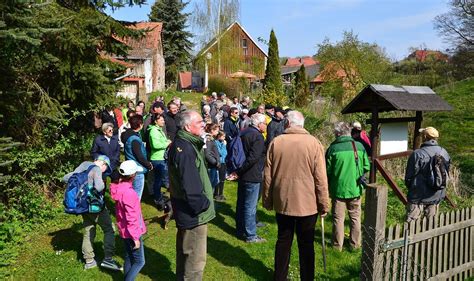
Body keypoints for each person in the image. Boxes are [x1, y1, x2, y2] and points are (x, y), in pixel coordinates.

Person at [263, 111, 330, 281]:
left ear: (287, 123)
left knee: (283, 241)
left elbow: (267, 176)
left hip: (283, 201)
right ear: (302, 124)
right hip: (307, 204)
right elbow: (321, 178)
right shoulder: (314, 143)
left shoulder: (276, 142)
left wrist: (267, 200)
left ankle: (280, 277)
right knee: (306, 244)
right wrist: (324, 204)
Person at [168, 110, 216, 281]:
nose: (204, 124)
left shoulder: (184, 144)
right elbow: (190, 184)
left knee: (185, 253)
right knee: (195, 262)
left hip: (185, 210)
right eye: (200, 122)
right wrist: (202, 205)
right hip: (193, 214)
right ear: (188, 127)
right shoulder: (185, 148)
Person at [62, 155, 121, 271]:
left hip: (82, 206)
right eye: (106, 169)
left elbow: (65, 178)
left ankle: (89, 261)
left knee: (89, 230)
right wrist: (94, 184)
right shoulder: (97, 169)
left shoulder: (84, 164)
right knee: (109, 229)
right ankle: (108, 259)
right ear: (103, 164)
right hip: (94, 206)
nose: (105, 172)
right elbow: (99, 187)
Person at [326, 122, 370, 251]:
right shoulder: (359, 146)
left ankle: (337, 246)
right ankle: (355, 244)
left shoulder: (332, 148)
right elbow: (367, 166)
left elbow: (327, 170)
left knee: (338, 218)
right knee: (355, 217)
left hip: (338, 189)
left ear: (338, 133)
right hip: (355, 188)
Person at [110, 160, 147, 281]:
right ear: (133, 175)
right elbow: (132, 217)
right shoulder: (130, 193)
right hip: (131, 232)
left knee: (129, 257)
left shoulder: (118, 187)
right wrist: (135, 238)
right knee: (139, 262)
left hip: (124, 230)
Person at [405, 127, 450, 222]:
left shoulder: (417, 154)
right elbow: (446, 172)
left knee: (412, 226)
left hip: (418, 195)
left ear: (424, 136)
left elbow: (409, 177)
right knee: (430, 225)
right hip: (436, 194)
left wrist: (412, 188)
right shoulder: (444, 152)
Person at [235, 113, 267, 243]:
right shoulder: (258, 136)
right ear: (259, 124)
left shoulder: (244, 132)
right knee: (250, 206)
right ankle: (251, 235)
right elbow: (253, 158)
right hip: (252, 174)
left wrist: (238, 171)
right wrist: (242, 170)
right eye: (265, 123)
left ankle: (240, 229)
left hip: (243, 174)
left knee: (241, 203)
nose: (266, 125)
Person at [121, 115, 153, 199]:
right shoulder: (134, 139)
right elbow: (139, 156)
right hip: (137, 169)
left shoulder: (128, 134)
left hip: (130, 167)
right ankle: (135, 211)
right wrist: (148, 165)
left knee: (130, 193)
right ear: (140, 125)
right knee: (136, 195)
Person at [148, 113, 171, 208]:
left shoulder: (159, 130)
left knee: (159, 179)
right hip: (158, 158)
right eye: (161, 120)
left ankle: (159, 197)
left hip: (161, 157)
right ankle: (158, 199)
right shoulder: (153, 131)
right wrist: (167, 143)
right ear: (155, 121)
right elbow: (155, 145)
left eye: (163, 120)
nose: (163, 121)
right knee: (160, 180)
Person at [215, 131, 227, 201]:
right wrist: (224, 146)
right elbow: (220, 153)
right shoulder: (216, 143)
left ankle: (221, 193)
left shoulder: (222, 143)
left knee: (222, 179)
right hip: (219, 162)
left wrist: (224, 145)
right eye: (223, 136)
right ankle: (216, 194)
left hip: (223, 162)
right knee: (217, 178)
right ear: (219, 136)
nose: (224, 138)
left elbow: (225, 153)